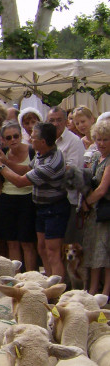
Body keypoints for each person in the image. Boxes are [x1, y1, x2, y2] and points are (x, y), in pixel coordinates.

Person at [0, 121, 70, 279]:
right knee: (43, 249)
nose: (30, 140)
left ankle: (58, 289)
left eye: (33, 138)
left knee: (52, 251)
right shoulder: (42, 153)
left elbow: (20, 182)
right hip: (42, 207)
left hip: (55, 209)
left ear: (43, 142)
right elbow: (26, 170)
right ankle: (47, 284)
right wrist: (5, 162)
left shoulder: (52, 162)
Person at [0, 120, 38, 271]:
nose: (13, 140)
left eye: (16, 136)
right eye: (9, 138)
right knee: (11, 242)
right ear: (3, 140)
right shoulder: (3, 153)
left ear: (21, 136)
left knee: (27, 242)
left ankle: (31, 277)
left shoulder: (31, 150)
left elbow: (26, 172)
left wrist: (5, 162)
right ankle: (16, 276)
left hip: (27, 198)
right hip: (7, 198)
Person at [81, 118, 110, 296]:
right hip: (94, 212)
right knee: (92, 251)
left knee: (105, 253)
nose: (101, 143)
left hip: (105, 212)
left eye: (105, 139)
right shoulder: (97, 158)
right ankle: (91, 290)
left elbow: (101, 190)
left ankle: (105, 292)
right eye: (98, 139)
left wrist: (86, 203)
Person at [47, 106, 85, 242]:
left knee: (66, 245)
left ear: (66, 121)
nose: (56, 124)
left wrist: (47, 170)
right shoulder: (46, 141)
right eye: (52, 120)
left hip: (68, 201)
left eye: (59, 120)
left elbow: (73, 171)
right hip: (49, 200)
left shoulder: (74, 142)